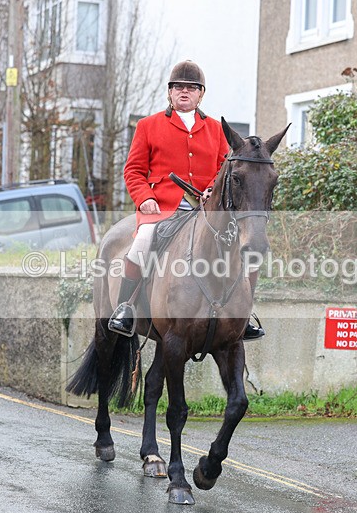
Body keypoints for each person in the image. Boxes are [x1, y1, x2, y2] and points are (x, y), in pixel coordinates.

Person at [109, 60, 265, 341]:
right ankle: (125, 308)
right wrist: (144, 198)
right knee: (142, 242)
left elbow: (224, 171)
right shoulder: (148, 126)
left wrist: (209, 191)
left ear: (201, 94)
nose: (184, 92)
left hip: (206, 210)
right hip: (161, 207)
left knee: (246, 252)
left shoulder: (216, 129)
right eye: (178, 87)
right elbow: (133, 170)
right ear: (169, 93)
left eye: (191, 88)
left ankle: (244, 315)